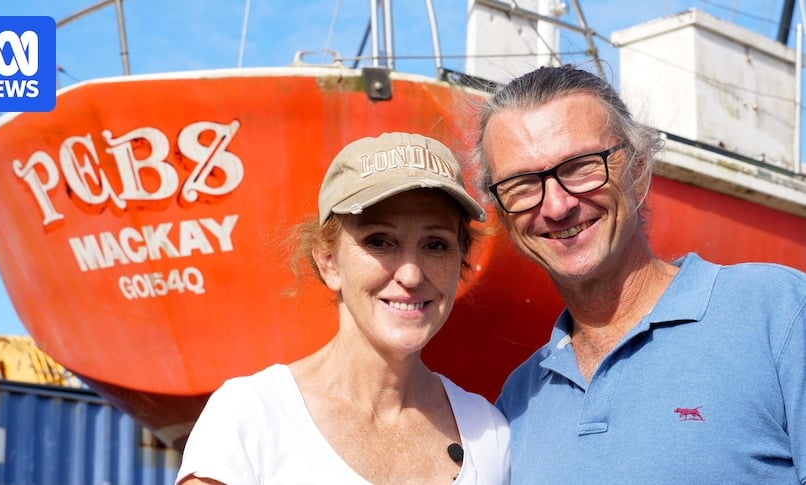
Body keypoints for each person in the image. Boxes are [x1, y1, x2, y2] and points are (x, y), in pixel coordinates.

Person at [474, 64, 806, 483]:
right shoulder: (518, 402)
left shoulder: (778, 314)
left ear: (638, 167)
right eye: (522, 183)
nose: (557, 206)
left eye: (580, 166)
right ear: (501, 214)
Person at [176, 132, 510, 485]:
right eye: (379, 242)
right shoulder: (251, 417)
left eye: (435, 245)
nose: (411, 274)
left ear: (460, 264)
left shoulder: (489, 434)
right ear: (329, 262)